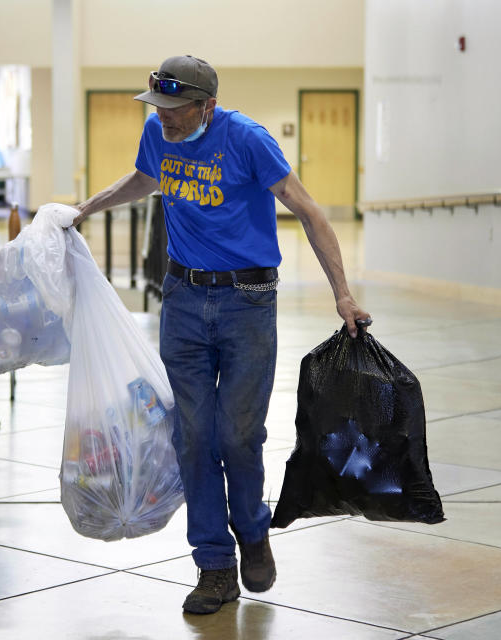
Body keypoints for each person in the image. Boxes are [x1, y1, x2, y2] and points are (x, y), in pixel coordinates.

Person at [71, 55, 371, 615]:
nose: (164, 119)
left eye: (175, 109)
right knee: (193, 438)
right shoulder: (158, 131)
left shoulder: (248, 140)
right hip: (182, 300)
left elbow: (308, 210)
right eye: (158, 108)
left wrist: (342, 294)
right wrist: (88, 207)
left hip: (248, 302)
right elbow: (145, 175)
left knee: (237, 436)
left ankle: (252, 530)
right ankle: (213, 564)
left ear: (207, 104)